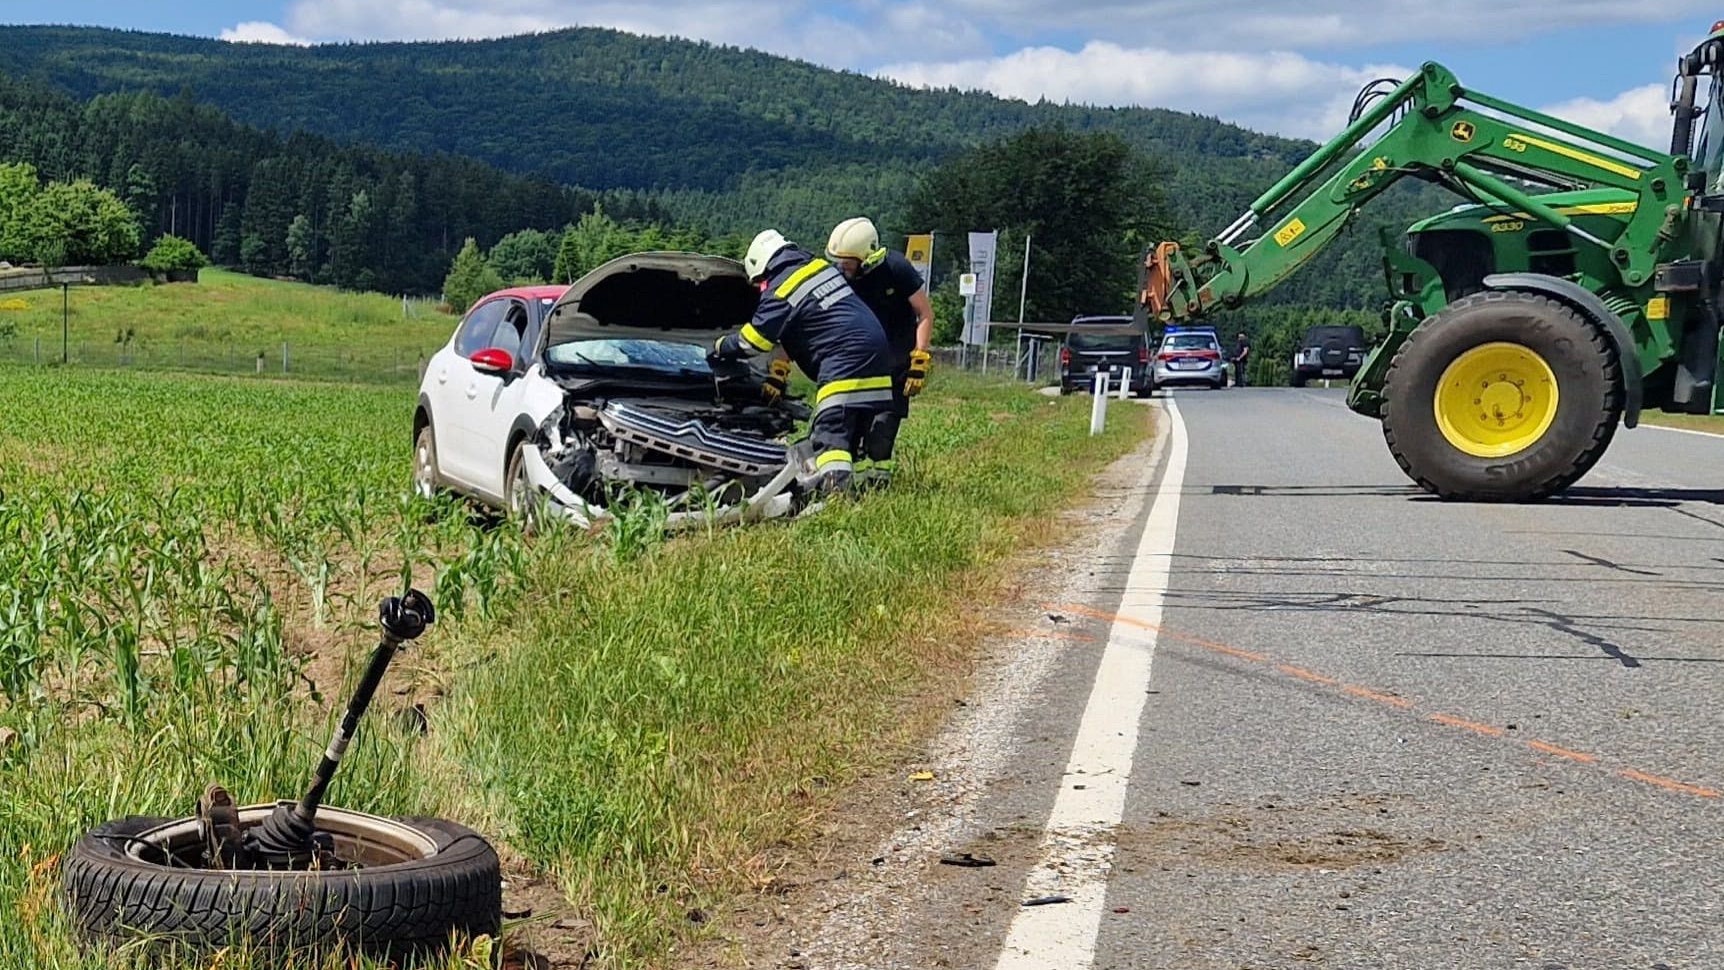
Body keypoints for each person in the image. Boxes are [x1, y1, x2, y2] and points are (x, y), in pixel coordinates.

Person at [709, 229, 899, 496]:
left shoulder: (782, 287)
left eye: (760, 283)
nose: (761, 289)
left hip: (845, 361)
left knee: (831, 435)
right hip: (877, 355)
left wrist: (717, 347)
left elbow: (752, 343)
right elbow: (806, 326)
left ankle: (837, 498)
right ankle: (870, 488)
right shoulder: (817, 266)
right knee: (853, 434)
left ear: (762, 268)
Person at [825, 218, 935, 467]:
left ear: (867, 258)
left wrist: (919, 358)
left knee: (880, 438)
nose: (842, 266)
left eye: (848, 261)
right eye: (838, 260)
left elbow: (925, 313)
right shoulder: (839, 277)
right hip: (857, 369)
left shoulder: (896, 268)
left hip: (894, 369)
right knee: (847, 438)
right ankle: (845, 490)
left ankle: (877, 487)